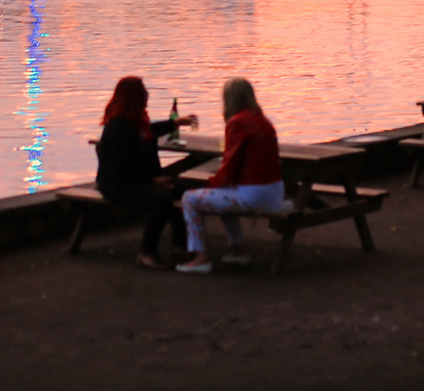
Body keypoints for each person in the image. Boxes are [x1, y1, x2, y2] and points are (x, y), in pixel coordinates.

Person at [176, 77, 284, 275]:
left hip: (255, 195)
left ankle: (200, 257)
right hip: (275, 191)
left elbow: (229, 166)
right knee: (224, 194)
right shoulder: (263, 120)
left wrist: (210, 185)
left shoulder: (237, 123)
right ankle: (238, 250)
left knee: (189, 199)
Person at [94, 76, 199, 270]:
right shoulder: (118, 127)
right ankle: (147, 253)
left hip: (136, 179)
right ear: (134, 97)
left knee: (182, 191)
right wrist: (153, 180)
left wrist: (176, 123)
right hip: (117, 184)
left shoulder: (136, 122)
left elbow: (151, 130)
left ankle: (179, 244)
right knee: (161, 200)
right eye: (143, 92)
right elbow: (124, 165)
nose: (147, 95)